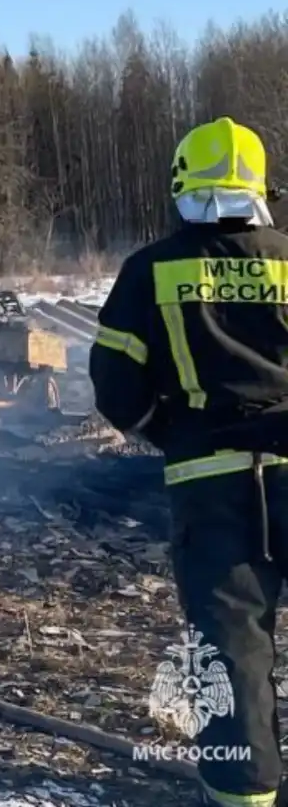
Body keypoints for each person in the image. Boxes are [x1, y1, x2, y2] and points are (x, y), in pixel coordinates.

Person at [89, 116, 288, 807]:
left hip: (213, 486)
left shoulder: (152, 269)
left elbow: (115, 383)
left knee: (231, 649)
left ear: (183, 183)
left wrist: (167, 432)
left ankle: (245, 796)